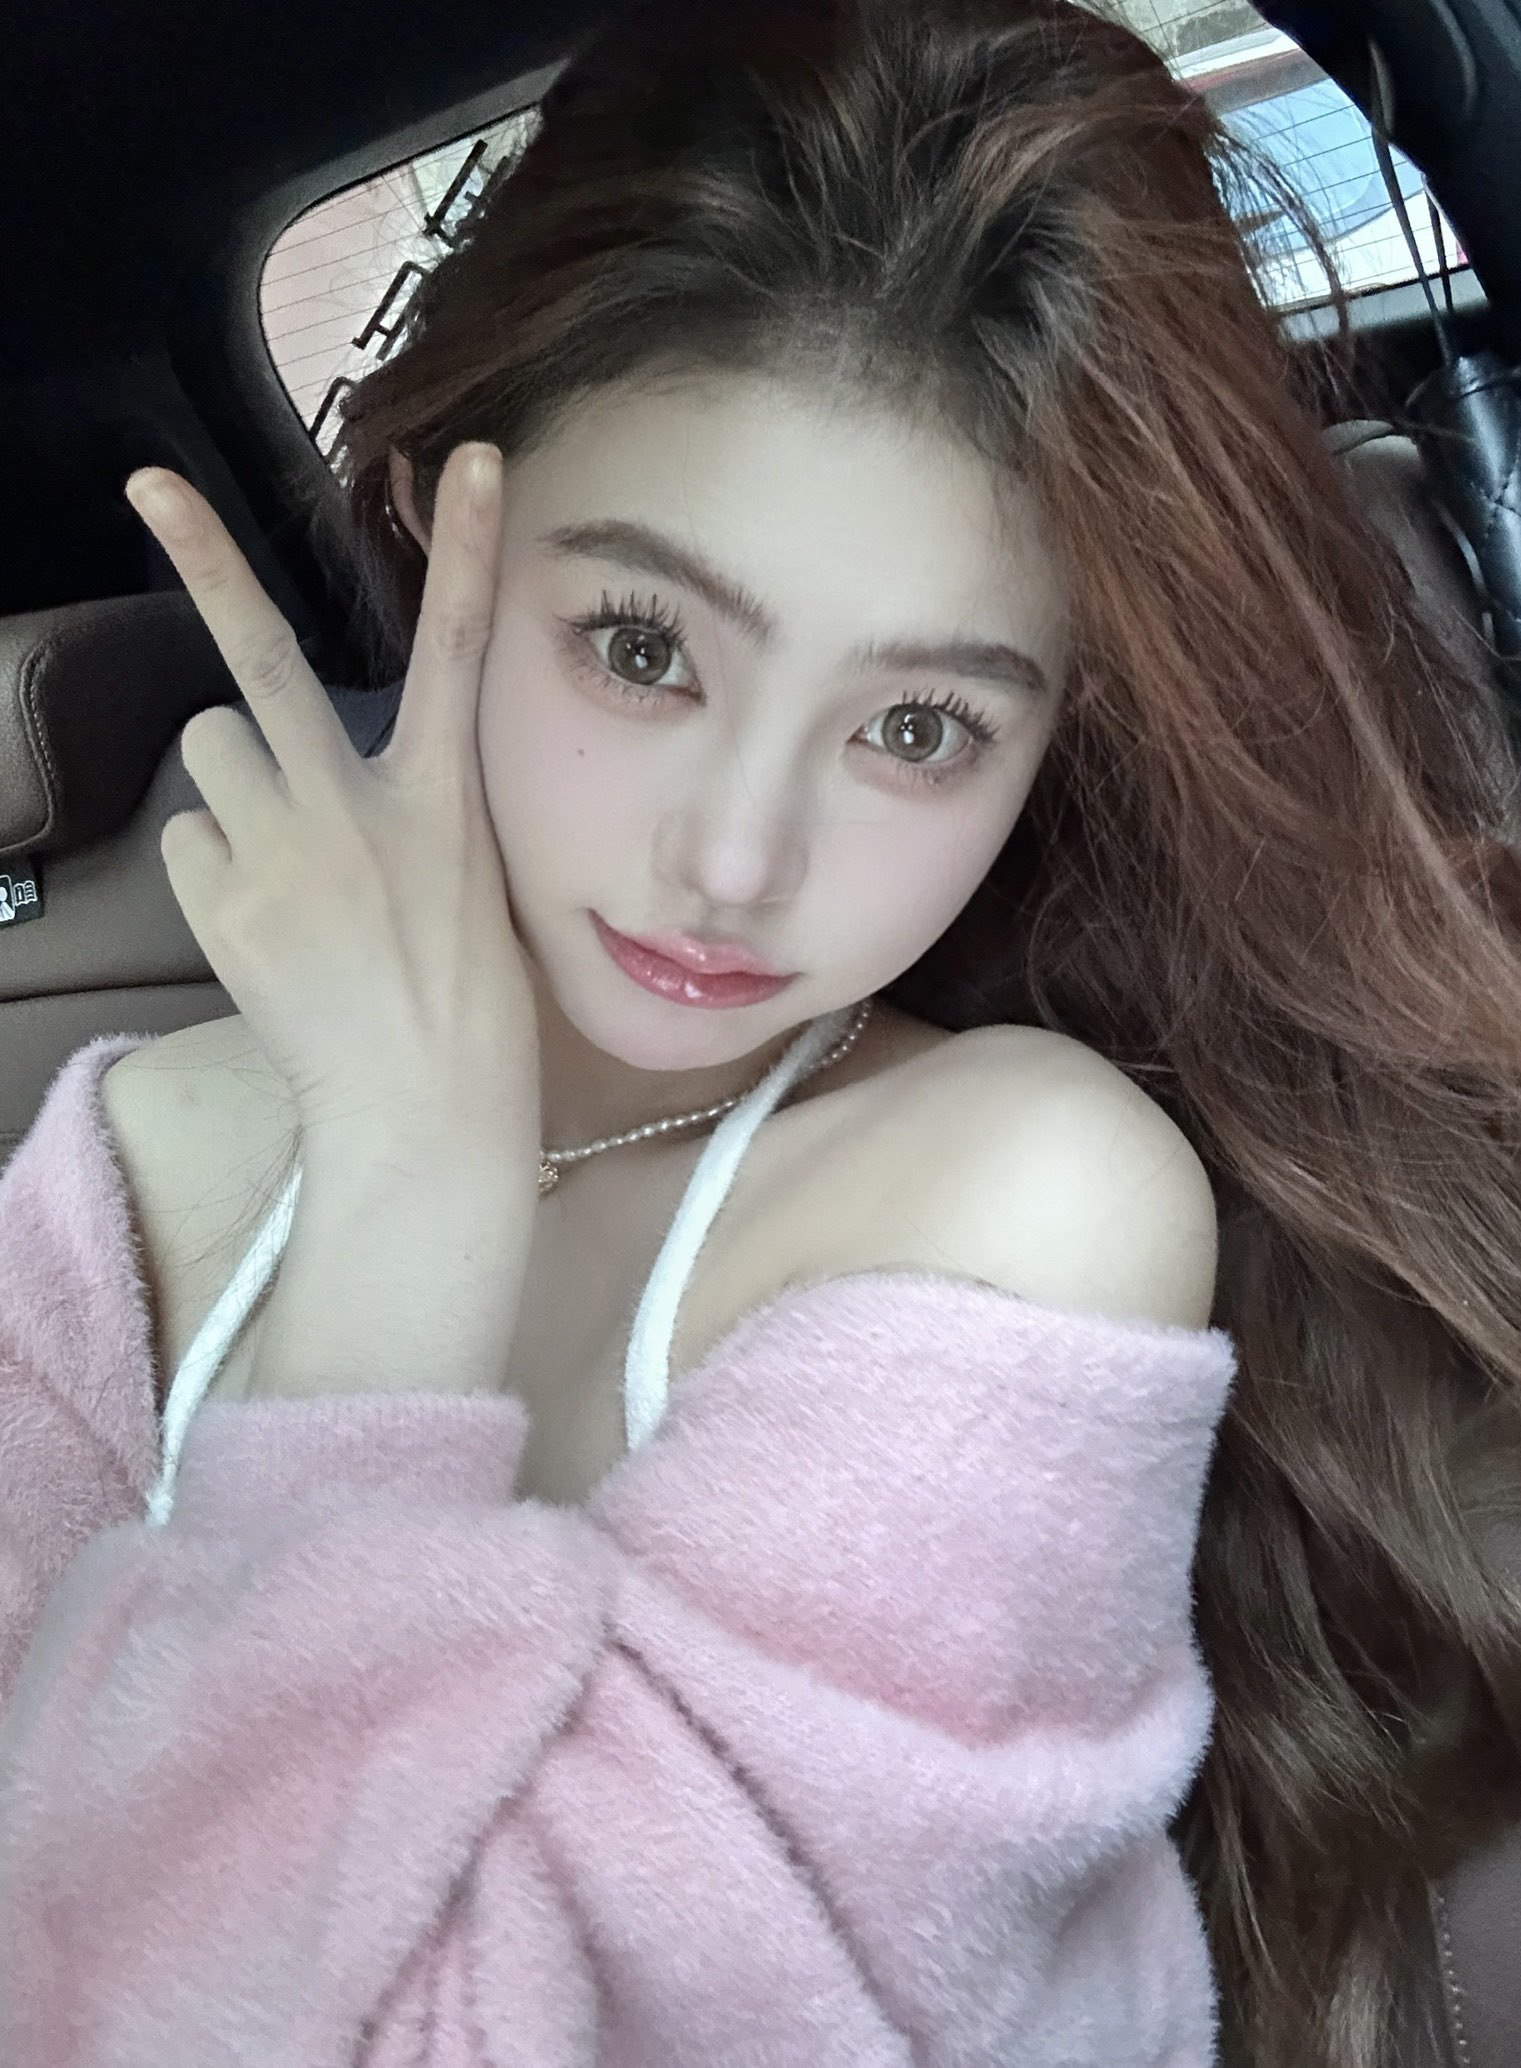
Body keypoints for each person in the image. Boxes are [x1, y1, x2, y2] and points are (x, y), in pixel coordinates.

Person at [0, 0, 1518, 2061]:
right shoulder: (118, 1179)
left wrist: (403, 1219)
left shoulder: (1020, 1196)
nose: (733, 859)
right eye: (641, 645)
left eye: (918, 726)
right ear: (443, 530)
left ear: (1051, 734)